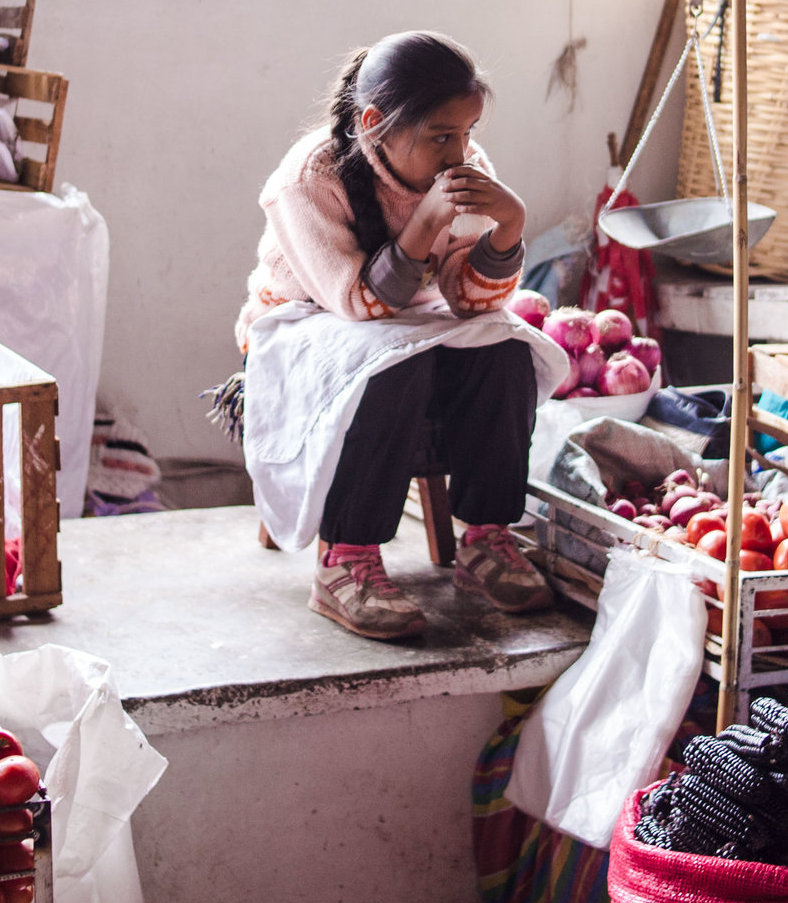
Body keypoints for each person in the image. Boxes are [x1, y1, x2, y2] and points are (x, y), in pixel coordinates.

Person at [236, 31, 566, 639]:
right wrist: (427, 221)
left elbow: (470, 301)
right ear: (372, 124)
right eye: (441, 136)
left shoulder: (465, 170)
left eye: (468, 132)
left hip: (398, 322)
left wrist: (508, 226)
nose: (460, 151)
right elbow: (359, 302)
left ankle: (485, 540)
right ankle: (346, 561)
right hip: (303, 324)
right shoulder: (310, 178)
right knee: (391, 364)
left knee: (505, 348)